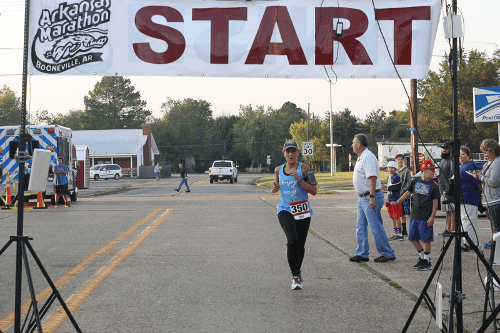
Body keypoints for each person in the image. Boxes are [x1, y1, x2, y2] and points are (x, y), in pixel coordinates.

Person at [271, 141, 317, 290]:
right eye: (287, 151)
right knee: (292, 241)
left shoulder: (305, 169)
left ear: (298, 153)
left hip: (302, 210)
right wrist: (275, 187)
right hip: (285, 209)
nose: (290, 154)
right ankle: (295, 277)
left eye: (293, 151)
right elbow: (277, 185)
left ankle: (298, 272)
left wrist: (299, 179)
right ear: (284, 153)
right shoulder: (278, 170)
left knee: (300, 246)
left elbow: (314, 191)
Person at [349, 134, 396, 263]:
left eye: (353, 142)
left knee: (375, 226)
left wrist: (371, 198)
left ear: (359, 144)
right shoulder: (361, 157)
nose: (352, 145)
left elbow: (373, 178)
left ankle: (387, 253)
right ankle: (362, 253)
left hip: (370, 197)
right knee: (360, 227)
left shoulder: (368, 157)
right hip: (362, 198)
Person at [392, 160, 440, 271]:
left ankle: (427, 261)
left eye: (434, 169)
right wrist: (398, 202)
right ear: (424, 170)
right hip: (415, 215)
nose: (433, 171)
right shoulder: (415, 181)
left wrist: (432, 216)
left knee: (426, 239)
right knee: (412, 238)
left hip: (425, 217)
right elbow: (408, 193)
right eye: (431, 169)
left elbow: (435, 202)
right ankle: (423, 257)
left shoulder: (433, 185)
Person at [472, 139, 500, 244]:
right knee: (495, 229)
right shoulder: (492, 162)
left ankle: (497, 255)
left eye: (485, 152)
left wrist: (481, 176)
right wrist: (479, 175)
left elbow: (493, 182)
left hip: (496, 201)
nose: (484, 155)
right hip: (491, 201)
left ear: (492, 151)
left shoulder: (497, 162)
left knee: (497, 230)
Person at [458, 146, 482, 251]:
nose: (460, 157)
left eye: (463, 154)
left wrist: (481, 191)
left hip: (469, 196)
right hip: (464, 197)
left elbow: (477, 182)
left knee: (469, 220)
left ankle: (470, 242)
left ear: (468, 155)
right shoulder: (462, 166)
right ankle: (467, 241)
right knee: (466, 220)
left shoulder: (470, 166)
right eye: (459, 155)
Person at [382, 161, 403, 241]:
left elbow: (397, 188)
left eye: (392, 168)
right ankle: (395, 233)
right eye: (389, 168)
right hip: (390, 199)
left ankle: (399, 234)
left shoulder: (396, 177)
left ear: (395, 169)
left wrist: (386, 188)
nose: (390, 169)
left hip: (395, 199)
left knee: (396, 217)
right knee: (392, 218)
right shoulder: (389, 177)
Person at [438, 143, 455, 237]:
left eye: (446, 149)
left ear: (450, 150)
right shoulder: (442, 160)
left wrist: (449, 189)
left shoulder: (451, 161)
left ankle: (452, 230)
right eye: (443, 148)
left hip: (448, 190)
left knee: (451, 210)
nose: (444, 150)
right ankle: (447, 229)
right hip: (443, 190)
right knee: (447, 211)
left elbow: (452, 176)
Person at [395, 154, 412, 236]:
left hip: (405, 195)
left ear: (404, 161)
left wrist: (404, 190)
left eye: (401, 159)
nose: (400, 161)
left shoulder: (406, 170)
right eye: (398, 159)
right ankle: (404, 230)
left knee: (408, 213)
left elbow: (409, 182)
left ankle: (412, 229)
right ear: (396, 161)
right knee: (401, 214)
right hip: (398, 196)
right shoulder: (395, 171)